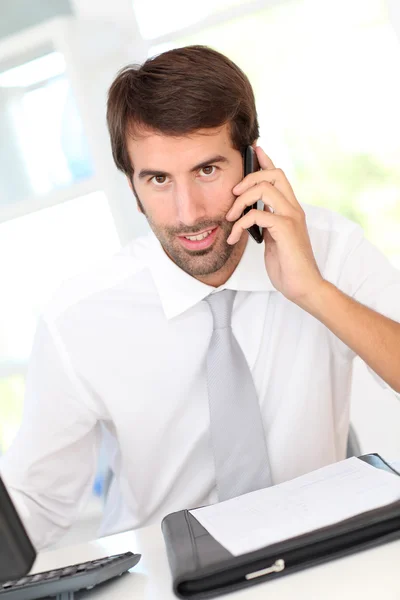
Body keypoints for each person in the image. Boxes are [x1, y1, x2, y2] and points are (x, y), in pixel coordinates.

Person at [1, 45, 400, 551]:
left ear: (253, 161)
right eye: (159, 180)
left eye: (208, 170)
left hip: (323, 556)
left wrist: (313, 291)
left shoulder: (330, 247)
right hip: (163, 575)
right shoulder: (79, 318)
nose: (188, 212)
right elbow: (36, 502)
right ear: (133, 186)